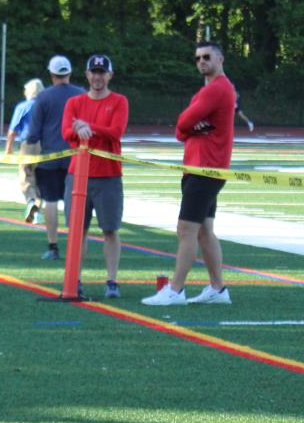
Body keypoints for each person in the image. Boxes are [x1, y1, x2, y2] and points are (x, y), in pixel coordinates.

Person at [142, 40, 236, 307]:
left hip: (204, 169)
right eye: (197, 58)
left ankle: (175, 290)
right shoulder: (211, 90)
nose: (201, 61)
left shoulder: (217, 89)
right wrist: (192, 128)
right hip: (203, 167)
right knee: (204, 230)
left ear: (220, 59)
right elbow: (182, 129)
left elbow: (183, 123)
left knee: (186, 229)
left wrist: (190, 128)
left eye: (207, 57)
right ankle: (218, 289)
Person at [61, 54, 129, 298]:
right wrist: (79, 128)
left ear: (110, 75)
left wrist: (87, 127)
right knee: (77, 231)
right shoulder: (74, 102)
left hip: (108, 175)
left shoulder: (119, 101)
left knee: (110, 229)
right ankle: (74, 279)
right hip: (78, 175)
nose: (97, 77)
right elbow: (67, 133)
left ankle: (112, 280)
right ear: (87, 75)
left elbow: (115, 132)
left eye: (102, 72)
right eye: (94, 72)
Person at [26, 55, 85, 260]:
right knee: (74, 204)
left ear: (51, 75)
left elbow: (33, 134)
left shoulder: (43, 97)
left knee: (50, 201)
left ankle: (53, 246)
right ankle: (75, 248)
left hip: (48, 157)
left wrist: (28, 160)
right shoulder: (81, 95)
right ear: (70, 73)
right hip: (75, 158)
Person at [5, 78, 44, 222]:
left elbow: (12, 131)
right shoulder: (46, 106)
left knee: (26, 175)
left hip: (28, 144)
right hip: (45, 144)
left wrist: (8, 148)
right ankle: (38, 210)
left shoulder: (23, 107)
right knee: (41, 177)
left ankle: (31, 201)